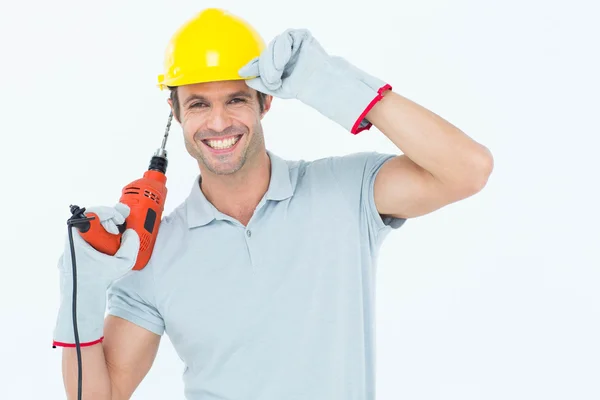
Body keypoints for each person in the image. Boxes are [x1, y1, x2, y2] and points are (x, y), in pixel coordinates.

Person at [52, 8, 493, 400]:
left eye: (236, 99)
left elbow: (468, 170)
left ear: (266, 101)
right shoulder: (152, 254)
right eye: (199, 103)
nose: (219, 122)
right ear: (176, 110)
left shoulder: (346, 191)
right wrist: (81, 296)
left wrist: (334, 83)